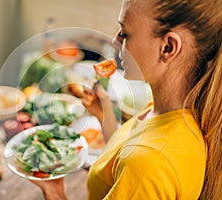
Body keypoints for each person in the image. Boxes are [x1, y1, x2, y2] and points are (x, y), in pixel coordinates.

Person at [31, 0, 222, 199]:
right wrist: (103, 113)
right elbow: (126, 154)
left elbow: (137, 163)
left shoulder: (148, 165)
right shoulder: (165, 110)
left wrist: (56, 195)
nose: (115, 41)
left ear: (168, 47)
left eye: (125, 33)